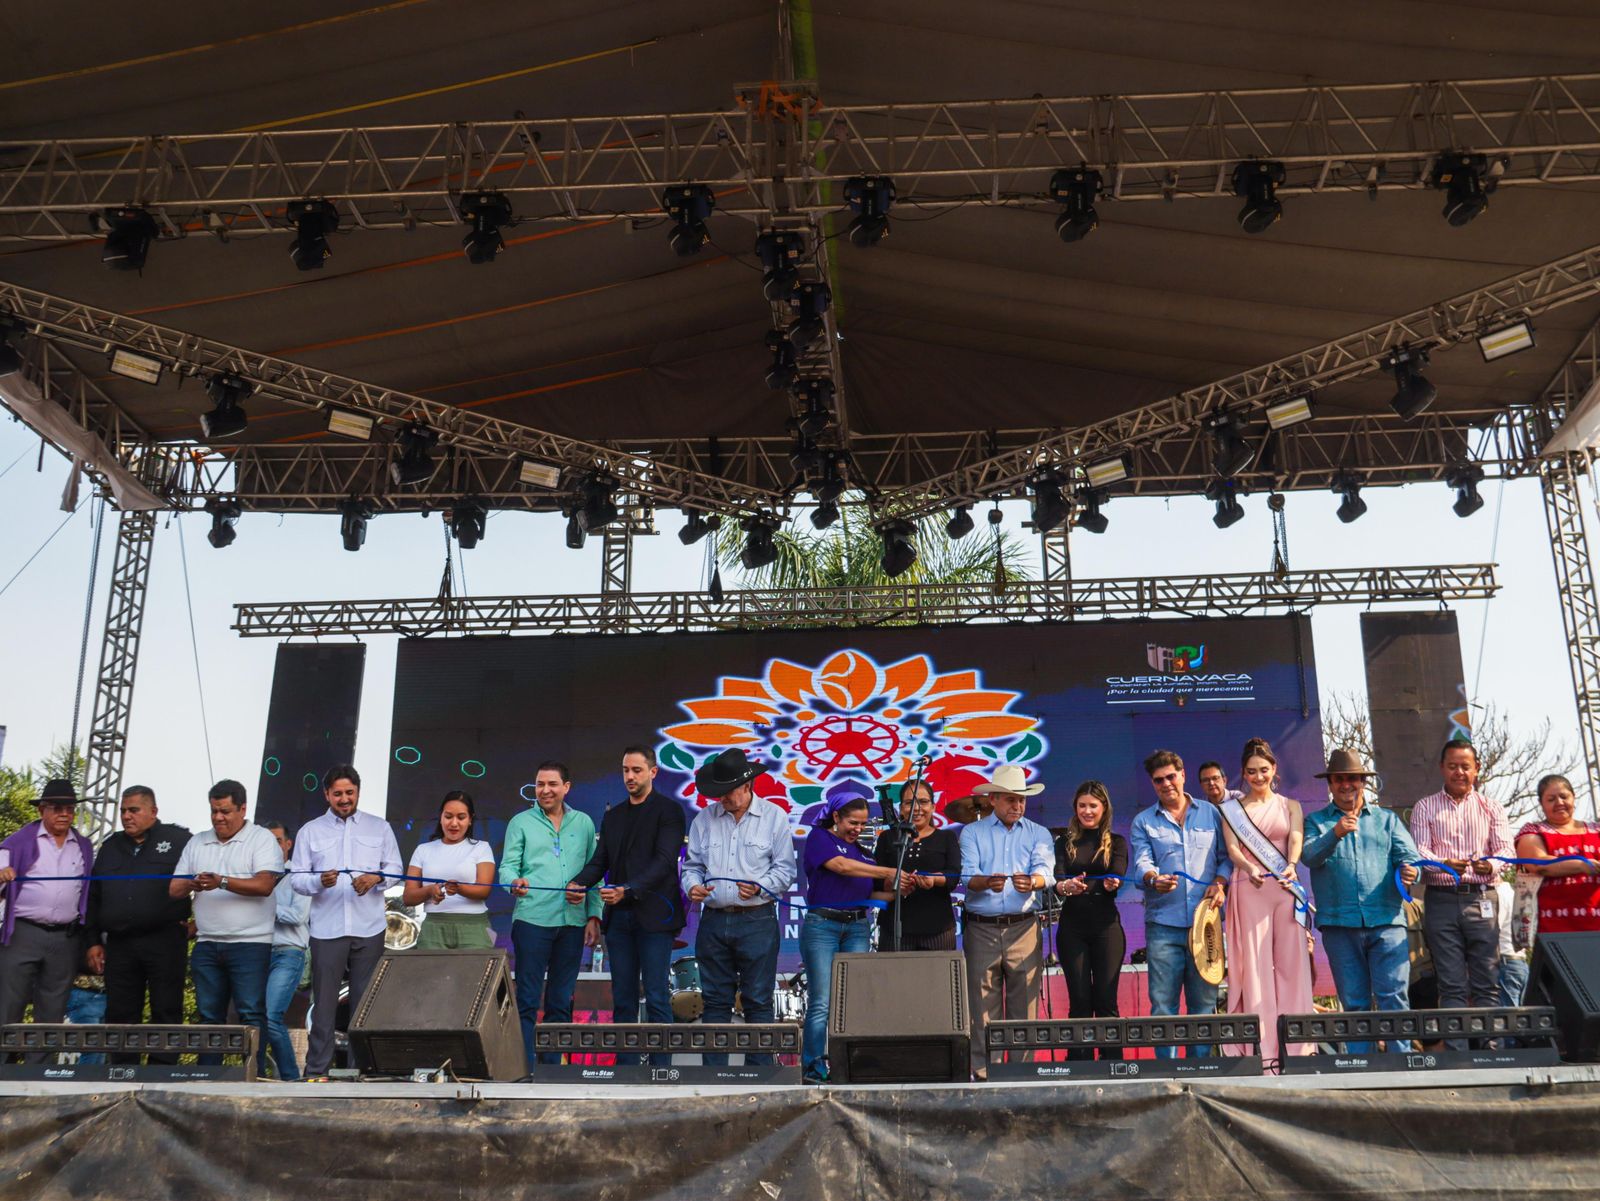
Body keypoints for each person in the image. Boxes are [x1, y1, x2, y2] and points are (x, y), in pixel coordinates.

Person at [568, 746, 687, 1065]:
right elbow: (600, 861)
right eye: (625, 770)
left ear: (653, 772)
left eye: (637, 770)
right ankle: (626, 1069)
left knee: (657, 996)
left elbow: (664, 861)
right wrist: (579, 883)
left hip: (655, 917)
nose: (630, 776)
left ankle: (662, 1071)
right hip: (619, 919)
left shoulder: (669, 811)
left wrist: (628, 890)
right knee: (623, 998)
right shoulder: (614, 816)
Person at [682, 748, 797, 1065]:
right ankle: (713, 1077)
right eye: (718, 792)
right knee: (714, 1001)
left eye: (728, 791)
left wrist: (761, 886)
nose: (722, 798)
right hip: (714, 919)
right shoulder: (704, 819)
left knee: (758, 1000)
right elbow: (692, 866)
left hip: (757, 919)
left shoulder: (774, 817)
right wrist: (692, 885)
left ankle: (760, 1075)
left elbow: (785, 870)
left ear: (747, 786)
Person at [287, 765, 402, 1077]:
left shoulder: (379, 827)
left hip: (370, 927)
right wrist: (318, 881)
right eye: (337, 793)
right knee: (324, 1005)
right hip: (327, 928)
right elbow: (297, 879)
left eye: (349, 792)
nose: (344, 798)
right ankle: (316, 1072)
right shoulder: (310, 831)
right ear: (327, 794)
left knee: (363, 1005)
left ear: (358, 792)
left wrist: (376, 878)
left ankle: (360, 1072)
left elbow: (395, 868)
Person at [1301, 749, 1419, 1052]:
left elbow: (1410, 859)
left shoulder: (1387, 820)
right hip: (1339, 925)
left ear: (1363, 782)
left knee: (1394, 998)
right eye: (1339, 779)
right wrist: (1335, 833)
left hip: (1386, 921)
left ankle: (1403, 1064)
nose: (1346, 785)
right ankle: (1361, 1067)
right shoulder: (1315, 821)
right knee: (1354, 1002)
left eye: (1352, 778)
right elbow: (1309, 856)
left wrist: (1409, 871)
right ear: (1330, 783)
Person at [169, 780, 282, 1065]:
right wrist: (193, 883)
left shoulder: (261, 839)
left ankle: (254, 1075)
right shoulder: (198, 841)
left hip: (251, 943)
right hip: (207, 941)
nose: (218, 817)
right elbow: (174, 889)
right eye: (214, 811)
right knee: (209, 1016)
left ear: (243, 809)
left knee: (251, 1012)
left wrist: (221, 881)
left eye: (225, 811)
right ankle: (208, 1077)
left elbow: (265, 885)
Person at [1216, 738, 1314, 1067]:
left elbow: (1296, 837)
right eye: (1251, 771)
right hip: (1250, 887)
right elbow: (1232, 849)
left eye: (1263, 770)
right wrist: (1248, 867)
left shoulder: (1291, 805)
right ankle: (1263, 1054)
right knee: (1255, 968)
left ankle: (1299, 1052)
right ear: (1243, 774)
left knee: (1292, 965)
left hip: (1284, 887)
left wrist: (1292, 864)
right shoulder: (1232, 810)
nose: (1258, 776)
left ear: (1274, 769)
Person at [798, 793, 908, 1083]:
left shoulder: (863, 853)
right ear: (836, 817)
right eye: (853, 822)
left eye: (862, 824)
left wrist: (902, 889)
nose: (858, 829)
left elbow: (871, 895)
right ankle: (813, 1069)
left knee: (851, 1001)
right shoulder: (819, 837)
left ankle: (848, 1067)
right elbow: (841, 867)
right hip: (823, 926)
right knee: (822, 1001)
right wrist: (888, 871)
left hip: (857, 926)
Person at [1128, 751, 1228, 1059]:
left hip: (1205, 924)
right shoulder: (1143, 821)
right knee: (1162, 1006)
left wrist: (1220, 882)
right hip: (1163, 926)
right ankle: (1166, 1075)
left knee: (1204, 1005)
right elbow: (1141, 863)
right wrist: (1152, 878)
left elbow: (1226, 858)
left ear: (1183, 775)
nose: (1166, 784)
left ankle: (1201, 1073)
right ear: (1152, 784)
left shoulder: (1211, 813)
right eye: (1159, 780)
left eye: (1171, 776)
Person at [501, 761, 602, 1069]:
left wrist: (594, 915)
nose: (545, 790)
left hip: (573, 922)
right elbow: (507, 867)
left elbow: (594, 871)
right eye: (540, 784)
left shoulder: (584, 823)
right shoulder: (520, 822)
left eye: (552, 784)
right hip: (532, 920)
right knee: (528, 999)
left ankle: (552, 1071)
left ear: (566, 787)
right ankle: (523, 1069)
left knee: (561, 1001)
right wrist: (513, 883)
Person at [1410, 738, 1513, 1037]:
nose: (1459, 772)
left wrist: (1490, 865)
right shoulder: (1425, 806)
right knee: (1451, 984)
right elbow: (1419, 851)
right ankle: (1457, 1052)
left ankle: (1491, 1051)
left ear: (1476, 768)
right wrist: (1443, 864)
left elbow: (1505, 849)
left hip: (1482, 897)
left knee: (1487, 981)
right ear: (1442, 768)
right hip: (1440, 900)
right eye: (1453, 766)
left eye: (1465, 766)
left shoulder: (1491, 807)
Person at [960, 764, 1055, 1082]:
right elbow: (967, 875)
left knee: (1024, 1003)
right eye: (1011, 799)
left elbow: (1046, 871)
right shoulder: (972, 832)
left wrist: (1034, 881)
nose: (1018, 805)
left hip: (1023, 925)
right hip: (981, 926)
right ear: (993, 800)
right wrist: (987, 882)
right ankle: (984, 1074)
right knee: (981, 1007)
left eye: (1022, 799)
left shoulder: (1038, 833)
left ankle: (1022, 1073)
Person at [84, 785, 191, 1064]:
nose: (126, 816)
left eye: (134, 810)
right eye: (123, 811)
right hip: (120, 942)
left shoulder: (179, 839)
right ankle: (122, 1072)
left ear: (153, 811)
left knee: (166, 1008)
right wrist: (93, 941)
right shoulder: (110, 846)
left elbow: (205, 878)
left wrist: (198, 922)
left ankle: (161, 1073)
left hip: (164, 939)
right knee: (120, 1012)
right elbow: (93, 897)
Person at [0, 780, 96, 1060]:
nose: (64, 813)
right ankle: (3, 1068)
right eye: (56, 808)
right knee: (9, 1004)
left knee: (53, 1009)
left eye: (69, 808)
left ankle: (39, 1071)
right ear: (42, 810)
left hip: (66, 936)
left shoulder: (83, 846)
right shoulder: (15, 843)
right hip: (23, 932)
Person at [1052, 780, 1129, 1059]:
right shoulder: (1064, 842)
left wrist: (1112, 882)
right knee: (1080, 1001)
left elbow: (1118, 871)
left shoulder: (1116, 842)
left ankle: (1113, 1065)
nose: (1087, 811)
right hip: (1072, 929)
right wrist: (1065, 886)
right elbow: (1058, 877)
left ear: (1103, 807)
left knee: (1106, 1001)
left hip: (1107, 929)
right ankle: (1079, 1064)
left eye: (1093, 806)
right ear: (1075, 808)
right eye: (1082, 805)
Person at [874, 779, 961, 952]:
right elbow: (875, 880)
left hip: (938, 927)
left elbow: (954, 876)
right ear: (901, 808)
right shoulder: (887, 838)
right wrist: (892, 883)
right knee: (892, 970)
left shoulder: (946, 837)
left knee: (938, 971)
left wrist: (933, 880)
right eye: (909, 803)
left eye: (923, 802)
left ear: (933, 807)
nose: (917, 808)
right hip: (894, 927)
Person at [404, 791, 497, 949]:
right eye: (448, 817)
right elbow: (408, 897)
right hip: (433, 927)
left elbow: (484, 891)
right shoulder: (423, 850)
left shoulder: (482, 848)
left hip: (474, 927)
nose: (454, 823)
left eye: (461, 817)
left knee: (474, 967)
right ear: (440, 817)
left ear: (470, 820)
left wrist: (459, 888)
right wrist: (429, 891)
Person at [1514, 772, 1600, 933]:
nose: (1559, 802)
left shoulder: (1597, 830)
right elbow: (1539, 864)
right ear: (1541, 803)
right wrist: (1581, 865)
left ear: (1573, 797)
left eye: (1564, 796)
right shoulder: (1533, 831)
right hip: (1552, 927)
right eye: (1551, 799)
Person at [262, 821, 310, 1081]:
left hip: (288, 951)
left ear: (288, 844)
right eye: (267, 841)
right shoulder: (255, 876)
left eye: (278, 840)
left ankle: (291, 1078)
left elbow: (298, 916)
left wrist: (264, 908)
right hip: (257, 952)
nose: (272, 845)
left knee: (271, 1017)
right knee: (254, 1019)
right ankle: (256, 1073)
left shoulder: (298, 876)